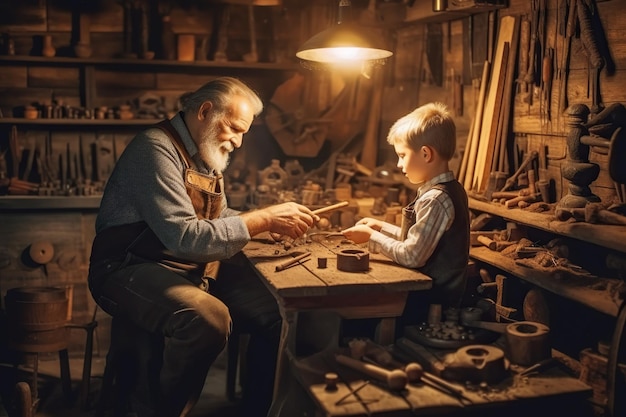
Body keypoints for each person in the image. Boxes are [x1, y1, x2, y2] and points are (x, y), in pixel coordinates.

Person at [87, 77, 319, 417]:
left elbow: (219, 214)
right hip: (127, 267)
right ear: (206, 111)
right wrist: (264, 219)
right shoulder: (155, 148)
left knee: (275, 312)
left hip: (184, 267)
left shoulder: (205, 154)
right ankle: (163, 411)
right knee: (208, 319)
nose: (238, 142)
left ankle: (255, 408)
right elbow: (184, 236)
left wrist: (273, 226)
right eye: (235, 129)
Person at [342, 102, 469, 329]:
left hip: (434, 302)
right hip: (428, 294)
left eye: (402, 155)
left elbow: (412, 256)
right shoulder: (447, 188)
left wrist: (372, 237)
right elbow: (419, 238)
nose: (399, 164)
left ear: (425, 154)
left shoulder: (435, 199)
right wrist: (380, 226)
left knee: (360, 320)